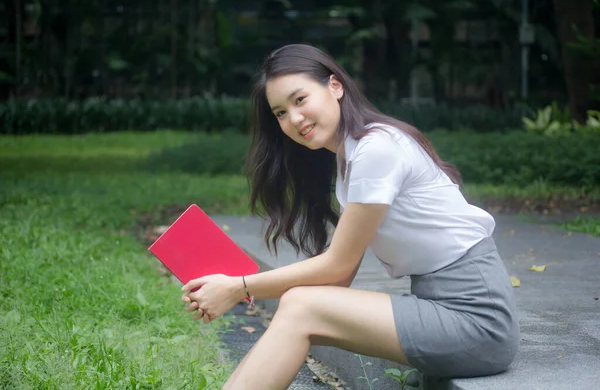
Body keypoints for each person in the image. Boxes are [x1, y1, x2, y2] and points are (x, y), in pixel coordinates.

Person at [181, 44, 520, 389]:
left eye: (300, 100)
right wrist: (228, 285)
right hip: (441, 309)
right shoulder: (353, 159)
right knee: (300, 305)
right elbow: (338, 280)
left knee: (301, 306)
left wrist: (238, 288)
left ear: (335, 86)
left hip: (477, 320)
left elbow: (337, 266)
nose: (294, 119)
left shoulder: (378, 150)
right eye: (280, 113)